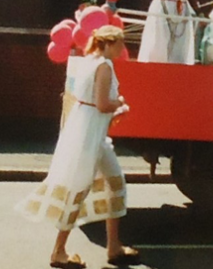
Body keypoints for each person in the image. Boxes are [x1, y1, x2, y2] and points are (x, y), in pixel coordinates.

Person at [15, 25, 140, 269]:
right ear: (108, 43)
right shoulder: (104, 65)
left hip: (91, 134)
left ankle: (113, 247)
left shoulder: (88, 61)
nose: (122, 48)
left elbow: (91, 103)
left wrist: (109, 111)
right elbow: (103, 104)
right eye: (120, 44)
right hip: (90, 138)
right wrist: (121, 103)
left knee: (115, 183)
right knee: (78, 190)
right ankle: (59, 252)